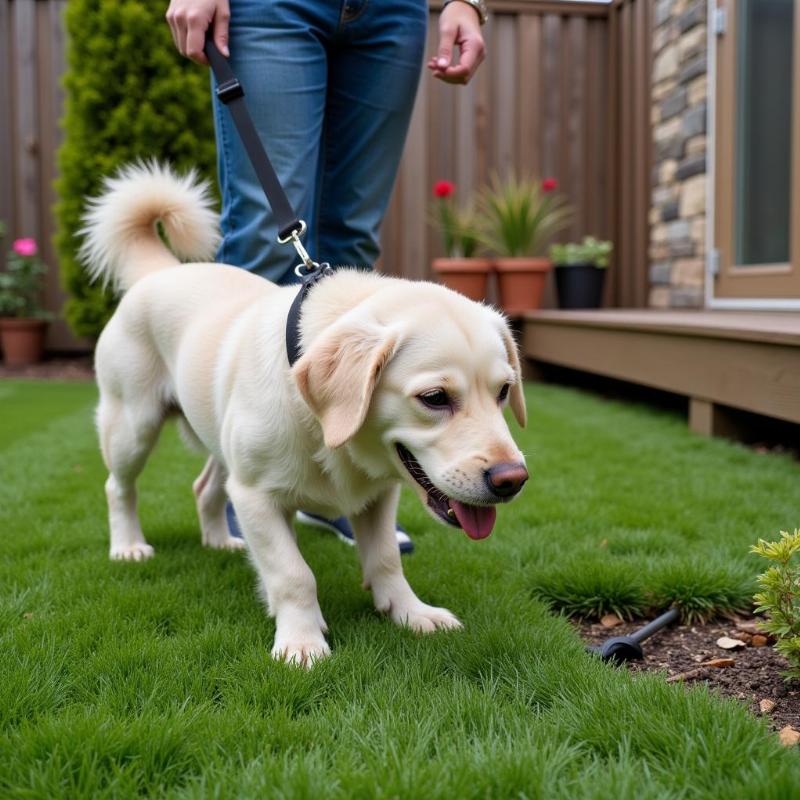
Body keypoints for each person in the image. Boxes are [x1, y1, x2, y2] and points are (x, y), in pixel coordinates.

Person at [166, 0, 487, 553]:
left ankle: (343, 493)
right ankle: (259, 477)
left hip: (393, 12)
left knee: (354, 238)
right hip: (271, 7)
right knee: (269, 232)